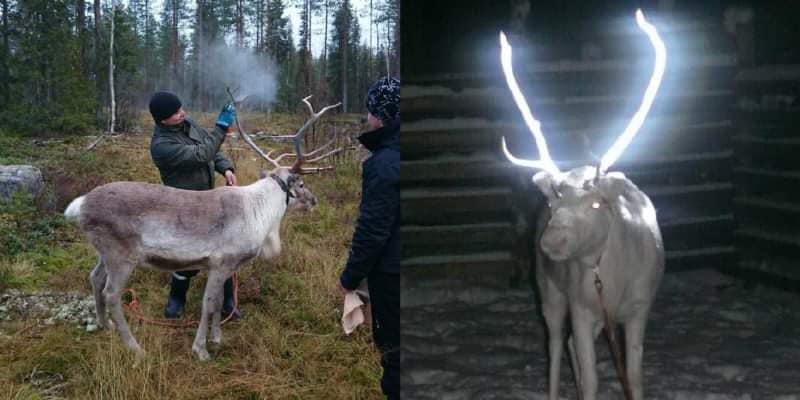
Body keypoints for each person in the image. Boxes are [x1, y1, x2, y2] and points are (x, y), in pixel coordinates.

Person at [147, 91, 242, 320]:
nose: (183, 113)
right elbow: (202, 154)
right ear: (162, 120)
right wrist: (221, 127)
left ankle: (227, 302)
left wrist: (226, 168)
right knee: (187, 256)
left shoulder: (187, 124)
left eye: (181, 108)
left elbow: (211, 150)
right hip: (184, 206)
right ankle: (177, 300)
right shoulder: (161, 146)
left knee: (224, 252)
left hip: (210, 199)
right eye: (176, 112)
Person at [339, 77, 400, 400]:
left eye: (370, 111)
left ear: (382, 115)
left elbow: (373, 230)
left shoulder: (384, 163)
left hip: (393, 274)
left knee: (395, 350)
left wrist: (349, 278)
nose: (367, 118)